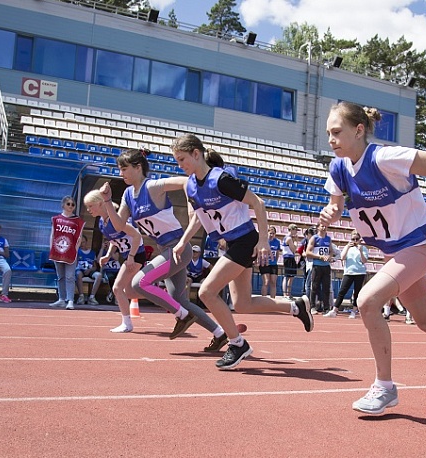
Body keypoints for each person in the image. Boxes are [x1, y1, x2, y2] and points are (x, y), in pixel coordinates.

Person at [320, 101, 426, 414]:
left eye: (336, 132)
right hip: (393, 254)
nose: (330, 139)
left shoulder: (385, 158)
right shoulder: (338, 168)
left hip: (418, 247)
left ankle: (384, 387)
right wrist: (332, 212)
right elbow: (337, 204)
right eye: (328, 133)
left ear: (359, 131)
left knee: (368, 301)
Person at [169, 134, 313, 369]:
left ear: (196, 154)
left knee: (206, 292)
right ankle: (296, 306)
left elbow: (258, 203)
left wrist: (264, 240)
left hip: (245, 241)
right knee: (243, 303)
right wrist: (183, 241)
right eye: (177, 161)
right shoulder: (192, 186)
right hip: (233, 243)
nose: (180, 165)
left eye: (182, 159)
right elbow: (198, 217)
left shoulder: (222, 180)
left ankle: (237, 344)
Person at [102, 148, 226, 347]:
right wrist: (107, 202)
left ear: (138, 167)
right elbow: (118, 226)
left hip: (177, 247)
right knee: (179, 298)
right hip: (166, 250)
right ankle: (219, 333)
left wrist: (191, 206)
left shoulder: (153, 186)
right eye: (119, 169)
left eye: (124, 169)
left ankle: (182, 316)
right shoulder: (127, 194)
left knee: (138, 284)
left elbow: (186, 182)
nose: (121, 174)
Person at [84, 190, 147, 332]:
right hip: (128, 256)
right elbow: (114, 240)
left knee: (117, 288)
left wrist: (131, 256)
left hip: (137, 255)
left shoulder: (118, 219)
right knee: (130, 292)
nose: (88, 210)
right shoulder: (102, 222)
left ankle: (127, 323)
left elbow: (137, 236)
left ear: (100, 203)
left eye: (90, 206)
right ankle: (159, 296)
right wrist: (107, 255)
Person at [48, 196, 85, 310]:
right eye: (68, 204)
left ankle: (70, 300)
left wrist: (76, 249)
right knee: (60, 277)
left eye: (72, 204)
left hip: (71, 252)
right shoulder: (56, 219)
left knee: (69, 276)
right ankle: (61, 299)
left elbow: (79, 237)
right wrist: (51, 248)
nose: (70, 206)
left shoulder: (78, 221)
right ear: (63, 205)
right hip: (58, 250)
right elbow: (53, 234)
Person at [324, 231, 368, 319]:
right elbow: (342, 257)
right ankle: (334, 310)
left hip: (360, 272)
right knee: (342, 291)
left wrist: (360, 251)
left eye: (357, 239)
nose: (355, 241)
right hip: (349, 272)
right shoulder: (347, 248)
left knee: (357, 293)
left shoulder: (363, 248)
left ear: (360, 240)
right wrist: (347, 247)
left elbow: (364, 261)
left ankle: (354, 311)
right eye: (353, 239)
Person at [306, 223, 336, 315]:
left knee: (326, 287)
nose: (324, 227)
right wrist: (320, 257)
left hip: (326, 266)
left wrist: (329, 256)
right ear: (318, 227)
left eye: (325, 226)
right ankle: (312, 307)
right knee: (314, 287)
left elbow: (331, 251)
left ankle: (326, 308)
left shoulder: (328, 239)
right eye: (322, 226)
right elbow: (308, 252)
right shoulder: (314, 238)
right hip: (317, 265)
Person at [75, 234, 102, 306]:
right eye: (80, 242)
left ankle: (92, 297)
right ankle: (81, 296)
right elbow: (75, 265)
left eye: (83, 242)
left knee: (99, 275)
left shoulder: (92, 253)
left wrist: (90, 270)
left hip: (89, 270)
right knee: (78, 274)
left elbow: (95, 267)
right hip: (80, 270)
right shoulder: (77, 252)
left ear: (86, 242)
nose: (82, 244)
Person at [259, 226, 281, 298]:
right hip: (264, 263)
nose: (272, 235)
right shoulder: (264, 241)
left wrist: (275, 261)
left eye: (273, 233)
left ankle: (273, 299)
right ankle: (264, 299)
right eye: (270, 233)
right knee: (266, 281)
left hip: (273, 264)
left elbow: (277, 252)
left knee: (273, 282)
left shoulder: (277, 242)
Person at [281, 224, 300, 298]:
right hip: (288, 258)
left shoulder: (288, 238)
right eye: (295, 230)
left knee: (290, 277)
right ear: (292, 230)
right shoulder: (288, 238)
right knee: (287, 276)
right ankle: (286, 293)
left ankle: (288, 293)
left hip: (290, 257)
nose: (296, 232)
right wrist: (296, 241)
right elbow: (294, 250)